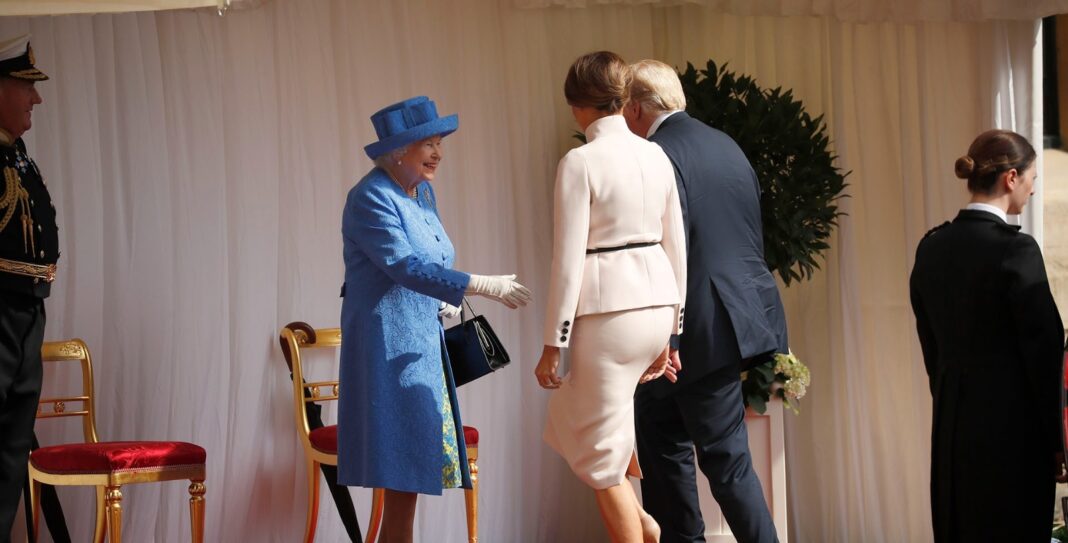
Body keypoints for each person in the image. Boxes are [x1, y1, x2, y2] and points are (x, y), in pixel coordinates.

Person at [339, 96, 530, 543]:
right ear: (398, 149)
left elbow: (434, 257)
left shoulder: (422, 192)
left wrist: (442, 302)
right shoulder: (369, 197)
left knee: (413, 473)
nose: (439, 153)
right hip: (388, 348)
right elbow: (404, 265)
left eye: (440, 142)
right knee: (404, 472)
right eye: (428, 143)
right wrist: (480, 284)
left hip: (422, 341)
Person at [622, 59, 787, 543]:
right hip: (729, 320)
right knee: (662, 446)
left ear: (634, 108)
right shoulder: (726, 145)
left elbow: (664, 249)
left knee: (725, 463)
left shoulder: (653, 155)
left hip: (688, 330)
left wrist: (664, 334)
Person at [535, 51, 687, 543]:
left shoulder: (579, 161)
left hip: (609, 316)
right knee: (573, 422)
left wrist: (552, 343)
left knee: (599, 459)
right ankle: (641, 522)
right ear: (623, 99)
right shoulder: (656, 153)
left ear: (576, 105)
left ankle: (641, 528)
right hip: (656, 309)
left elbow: (567, 259)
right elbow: (677, 245)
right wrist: (674, 332)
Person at [909, 129, 1064, 542]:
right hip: (1014, 439)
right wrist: (1057, 441)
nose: (1033, 190)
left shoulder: (931, 248)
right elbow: (1045, 353)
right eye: (1032, 179)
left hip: (952, 435)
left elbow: (931, 350)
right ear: (1011, 178)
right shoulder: (1017, 250)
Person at [0, 34, 56, 542]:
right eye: (25, 86)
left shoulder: (17, 155)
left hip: (26, 313)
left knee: (11, 450)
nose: (35, 98)